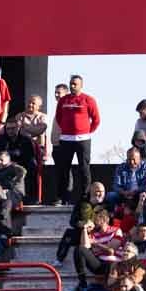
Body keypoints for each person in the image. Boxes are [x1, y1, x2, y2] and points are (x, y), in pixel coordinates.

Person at [54, 75, 100, 205]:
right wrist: (67, 130)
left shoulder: (88, 99)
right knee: (63, 169)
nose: (72, 86)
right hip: (66, 139)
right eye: (71, 84)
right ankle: (62, 197)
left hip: (83, 139)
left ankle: (85, 197)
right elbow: (59, 118)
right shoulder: (63, 100)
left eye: (75, 84)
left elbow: (96, 119)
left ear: (81, 85)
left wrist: (86, 131)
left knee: (84, 168)